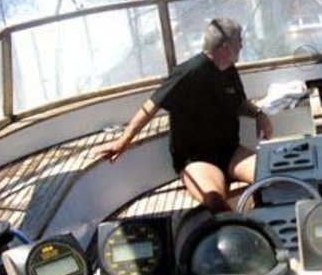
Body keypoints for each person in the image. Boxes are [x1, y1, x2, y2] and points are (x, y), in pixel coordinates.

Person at [96, 18, 272, 213]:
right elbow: (151, 106)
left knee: (272, 178)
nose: (242, 45)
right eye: (239, 40)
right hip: (197, 160)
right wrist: (123, 141)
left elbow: (239, 101)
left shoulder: (229, 70)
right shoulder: (188, 73)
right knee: (215, 201)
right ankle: (242, 228)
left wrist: (258, 114)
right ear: (226, 47)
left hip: (231, 152)